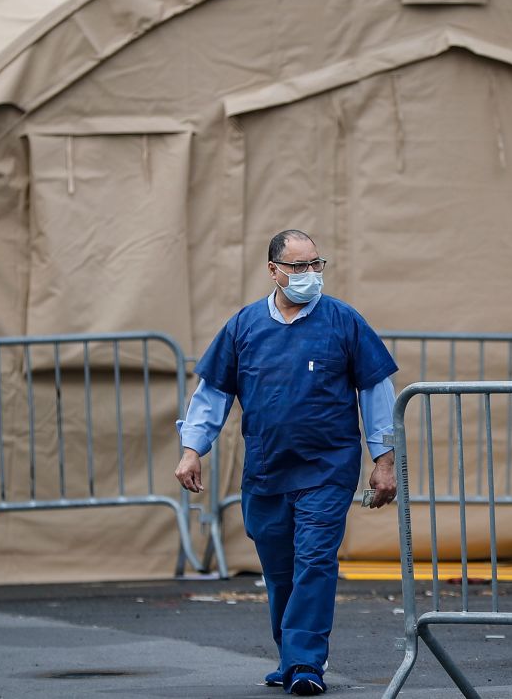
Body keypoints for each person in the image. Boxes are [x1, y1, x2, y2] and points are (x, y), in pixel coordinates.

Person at [174, 229, 399, 696]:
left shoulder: (343, 322)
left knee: (314, 560)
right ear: (274, 271)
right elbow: (212, 394)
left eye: (316, 264)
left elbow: (377, 392)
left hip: (327, 469)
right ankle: (289, 656)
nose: (309, 275)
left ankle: (304, 663)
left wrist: (384, 460)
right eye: (298, 267)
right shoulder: (245, 326)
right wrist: (193, 448)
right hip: (267, 471)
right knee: (279, 571)